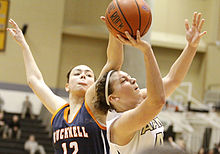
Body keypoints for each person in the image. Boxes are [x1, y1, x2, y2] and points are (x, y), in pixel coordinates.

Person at [7, 18, 123, 153]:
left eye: (89, 75)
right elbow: (34, 80)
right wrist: (24, 46)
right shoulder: (60, 111)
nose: (83, 76)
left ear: (95, 85)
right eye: (77, 73)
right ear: (67, 86)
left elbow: (113, 63)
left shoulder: (96, 106)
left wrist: (114, 30)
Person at [104, 12, 207, 153]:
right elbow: (157, 101)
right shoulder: (119, 124)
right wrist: (146, 51)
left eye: (129, 76)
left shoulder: (141, 98)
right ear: (113, 98)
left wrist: (191, 47)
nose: (132, 79)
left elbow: (172, 80)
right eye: (124, 81)